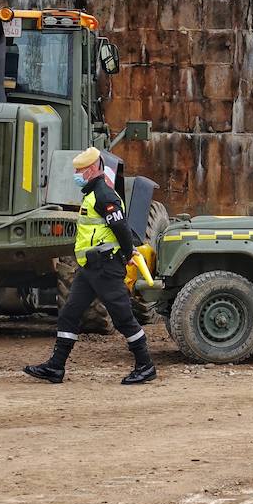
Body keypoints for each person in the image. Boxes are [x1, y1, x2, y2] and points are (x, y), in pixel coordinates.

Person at [24, 147, 156, 385]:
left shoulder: (104, 195)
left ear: (94, 169)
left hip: (106, 268)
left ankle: (145, 365)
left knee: (123, 318)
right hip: (89, 269)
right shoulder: (92, 194)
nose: (77, 174)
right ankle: (56, 367)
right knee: (69, 314)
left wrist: (128, 253)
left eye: (80, 170)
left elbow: (121, 228)